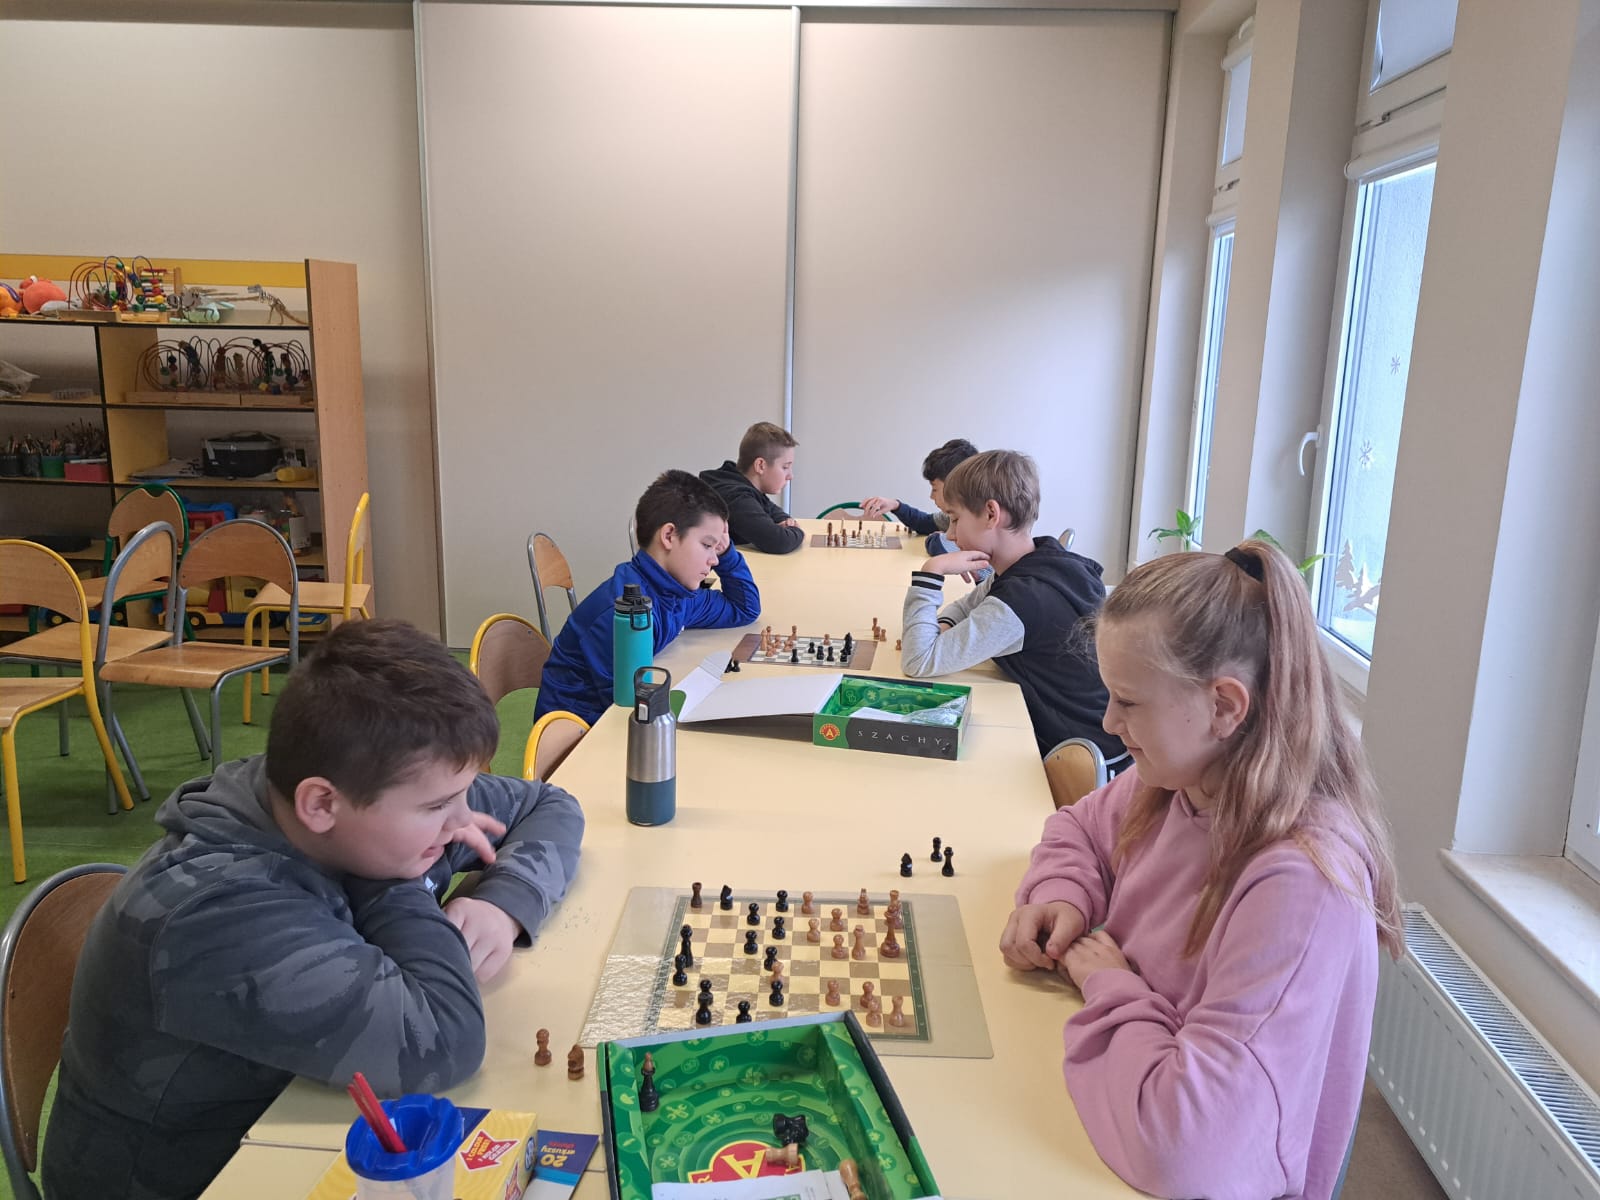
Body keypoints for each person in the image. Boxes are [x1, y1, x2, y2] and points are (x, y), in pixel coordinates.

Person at [43, 619, 586, 1200]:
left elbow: (549, 805)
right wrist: (398, 878)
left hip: (290, 1116)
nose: (461, 821)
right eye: (437, 807)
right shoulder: (219, 914)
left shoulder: (361, 790)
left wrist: (503, 901)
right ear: (321, 803)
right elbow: (447, 1040)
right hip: (201, 1176)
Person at [999, 540, 1402, 1200]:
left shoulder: (1302, 881)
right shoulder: (1178, 781)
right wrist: (1063, 891)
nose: (1108, 721)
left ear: (1224, 706)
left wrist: (1108, 984)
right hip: (1112, 1113)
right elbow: (1079, 828)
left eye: (1129, 702)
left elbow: (1187, 1151)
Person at [899, 449, 1126, 764]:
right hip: (1092, 737)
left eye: (955, 519)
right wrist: (946, 625)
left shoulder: (1022, 601)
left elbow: (918, 661)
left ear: (991, 514)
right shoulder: (1036, 562)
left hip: (1075, 754)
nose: (949, 534)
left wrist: (930, 573)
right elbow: (966, 606)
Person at [536, 469, 760, 724]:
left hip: (613, 719)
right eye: (708, 545)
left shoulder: (677, 596)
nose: (714, 559)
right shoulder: (623, 615)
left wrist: (727, 551)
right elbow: (629, 713)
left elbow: (744, 609)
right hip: (575, 733)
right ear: (669, 536)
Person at [861, 437, 979, 555]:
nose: (931, 496)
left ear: (954, 486)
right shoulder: (951, 517)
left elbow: (939, 547)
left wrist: (935, 538)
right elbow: (924, 523)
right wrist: (896, 505)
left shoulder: (976, 522)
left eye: (935, 489)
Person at [699, 422, 803, 554]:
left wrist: (787, 525)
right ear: (760, 466)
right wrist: (798, 531)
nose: (790, 476)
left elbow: (777, 515)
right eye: (785, 467)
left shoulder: (747, 489)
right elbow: (779, 542)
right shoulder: (735, 497)